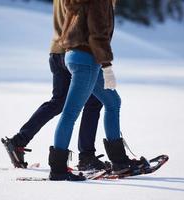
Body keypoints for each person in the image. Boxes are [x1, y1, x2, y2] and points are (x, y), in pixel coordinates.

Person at [1, 0, 109, 171]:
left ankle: (19, 141)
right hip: (74, 51)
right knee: (94, 100)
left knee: (58, 101)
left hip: (55, 52)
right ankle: (86, 156)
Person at [48, 0, 148, 181]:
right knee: (70, 113)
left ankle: (119, 161)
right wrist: (107, 66)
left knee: (113, 102)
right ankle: (58, 169)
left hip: (76, 55)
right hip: (86, 58)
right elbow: (97, 35)